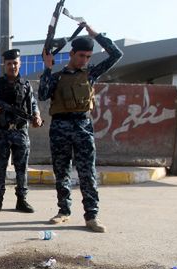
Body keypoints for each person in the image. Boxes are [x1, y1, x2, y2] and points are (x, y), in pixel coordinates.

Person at [39, 23, 123, 233]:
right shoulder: (56, 76)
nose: (84, 60)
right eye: (81, 56)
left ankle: (91, 216)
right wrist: (47, 67)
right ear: (72, 54)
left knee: (87, 173)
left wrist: (95, 34)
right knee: (62, 171)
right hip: (60, 127)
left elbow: (116, 54)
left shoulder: (91, 74)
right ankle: (64, 211)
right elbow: (42, 95)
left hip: (83, 126)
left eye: (88, 56)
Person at [0, 49, 43, 213]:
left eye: (15, 63)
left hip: (21, 131)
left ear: (19, 64)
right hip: (1, 132)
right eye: (9, 63)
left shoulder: (26, 85)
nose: (12, 66)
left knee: (22, 168)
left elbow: (33, 104)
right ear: (4, 65)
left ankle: (22, 200)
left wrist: (36, 115)